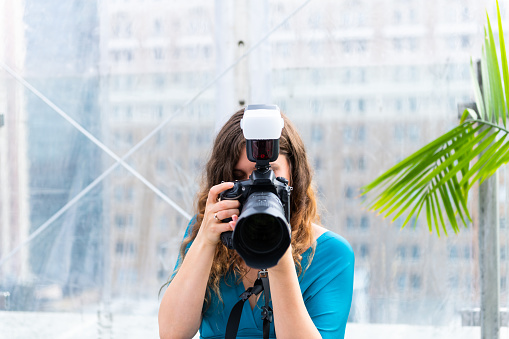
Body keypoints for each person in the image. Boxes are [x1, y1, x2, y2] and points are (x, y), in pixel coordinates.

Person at [158, 107, 354, 339]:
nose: (256, 187)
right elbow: (172, 334)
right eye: (239, 177)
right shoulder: (206, 233)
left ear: (294, 174)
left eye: (268, 173)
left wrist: (279, 258)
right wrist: (205, 241)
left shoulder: (331, 253)